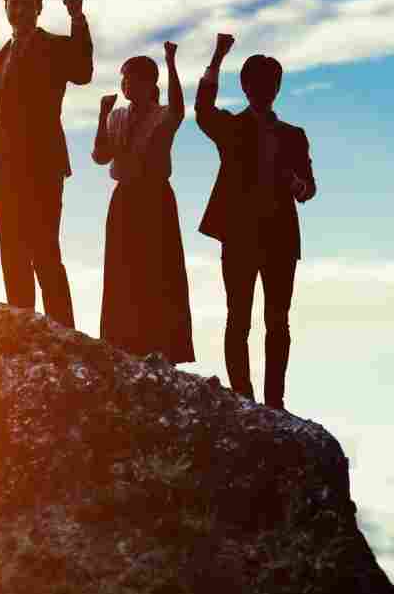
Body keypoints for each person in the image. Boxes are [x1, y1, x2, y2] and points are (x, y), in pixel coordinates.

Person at [194, 33, 316, 411]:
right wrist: (216, 57)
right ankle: (244, 397)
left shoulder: (294, 136)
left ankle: (275, 402)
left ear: (277, 87)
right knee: (239, 318)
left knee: (278, 322)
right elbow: (202, 109)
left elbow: (309, 189)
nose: (265, 89)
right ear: (246, 87)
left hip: (280, 239)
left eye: (271, 83)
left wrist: (298, 184)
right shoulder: (232, 128)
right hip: (241, 237)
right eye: (258, 83)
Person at [0, 0, 93, 325]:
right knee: (11, 257)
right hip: (4, 173)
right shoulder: (0, 57)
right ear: (5, 8)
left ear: (38, 9)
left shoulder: (54, 46)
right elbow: (1, 120)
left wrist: (78, 20)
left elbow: (82, 71)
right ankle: (22, 329)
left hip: (43, 165)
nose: (18, 10)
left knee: (45, 253)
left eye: (25, 4)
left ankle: (63, 333)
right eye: (12, 3)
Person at [94, 42, 194, 363]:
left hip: (155, 198)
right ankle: (123, 343)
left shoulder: (163, 115)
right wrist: (101, 115)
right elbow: (100, 156)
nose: (126, 85)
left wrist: (171, 62)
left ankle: (163, 346)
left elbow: (179, 107)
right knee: (122, 271)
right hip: (124, 198)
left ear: (151, 84)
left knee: (158, 273)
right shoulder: (117, 116)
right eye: (123, 79)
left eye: (133, 79)